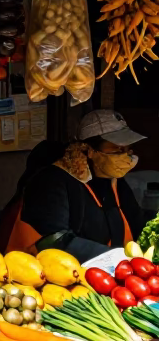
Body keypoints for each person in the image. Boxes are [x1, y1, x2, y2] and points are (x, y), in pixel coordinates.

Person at [8, 109, 145, 261]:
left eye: (127, 149)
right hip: (44, 274)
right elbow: (53, 241)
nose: (126, 156)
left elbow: (136, 221)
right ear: (89, 150)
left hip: (107, 273)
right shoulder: (50, 181)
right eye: (117, 148)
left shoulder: (114, 179)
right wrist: (113, 257)